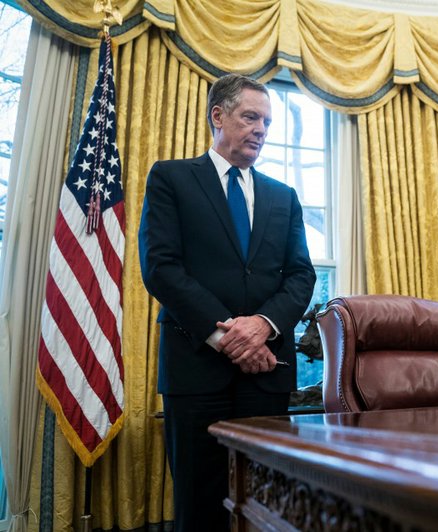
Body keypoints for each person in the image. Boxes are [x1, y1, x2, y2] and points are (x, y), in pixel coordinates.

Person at [138, 74, 316, 531]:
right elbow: (161, 268)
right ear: (218, 116)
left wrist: (262, 325)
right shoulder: (171, 178)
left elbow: (301, 275)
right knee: (201, 506)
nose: (261, 129)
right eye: (250, 117)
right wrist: (227, 336)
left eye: (267, 122)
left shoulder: (284, 196)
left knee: (268, 503)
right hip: (197, 370)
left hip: (266, 372)